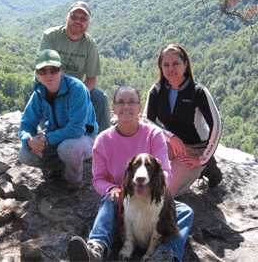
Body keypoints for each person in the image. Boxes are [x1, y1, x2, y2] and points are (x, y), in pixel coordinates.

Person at [67, 86, 194, 262]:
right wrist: (110, 188)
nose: (126, 107)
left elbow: (165, 171)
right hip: (122, 199)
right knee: (109, 200)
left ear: (139, 108)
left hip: (151, 196)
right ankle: (96, 248)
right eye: (121, 102)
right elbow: (98, 179)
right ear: (114, 108)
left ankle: (165, 255)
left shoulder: (154, 135)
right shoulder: (103, 140)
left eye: (131, 102)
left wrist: (155, 186)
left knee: (184, 211)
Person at [144, 44, 222, 197]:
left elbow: (217, 126)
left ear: (185, 65)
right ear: (160, 67)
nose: (170, 69)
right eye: (166, 64)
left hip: (195, 148)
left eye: (176, 64)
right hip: (171, 143)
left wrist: (203, 158)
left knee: (164, 192)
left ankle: (205, 167)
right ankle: (198, 168)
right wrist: (170, 137)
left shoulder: (198, 92)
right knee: (145, 178)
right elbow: (146, 120)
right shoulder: (157, 90)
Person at [18, 49, 98, 192]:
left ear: (61, 70)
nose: (48, 75)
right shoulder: (39, 93)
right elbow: (26, 124)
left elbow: (76, 130)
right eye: (43, 71)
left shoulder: (77, 89)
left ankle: (75, 180)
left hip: (83, 137)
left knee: (68, 148)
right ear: (37, 73)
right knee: (25, 154)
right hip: (55, 136)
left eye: (53, 70)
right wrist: (29, 140)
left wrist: (46, 138)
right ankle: (62, 166)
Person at [39, 1, 110, 134]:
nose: (78, 21)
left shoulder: (89, 44)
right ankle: (47, 131)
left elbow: (91, 79)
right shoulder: (51, 36)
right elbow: (45, 72)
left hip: (74, 89)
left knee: (100, 98)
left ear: (88, 23)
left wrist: (78, 95)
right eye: (74, 17)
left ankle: (104, 143)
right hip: (49, 84)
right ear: (67, 17)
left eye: (83, 19)